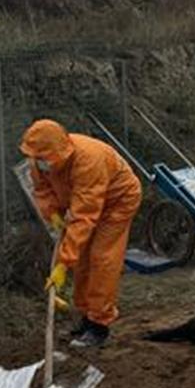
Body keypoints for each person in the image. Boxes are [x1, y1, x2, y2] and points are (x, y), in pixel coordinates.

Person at [20, 119, 143, 349]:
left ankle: (99, 325)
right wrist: (53, 213)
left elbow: (84, 217)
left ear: (58, 152)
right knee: (83, 261)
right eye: (35, 158)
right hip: (83, 207)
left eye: (42, 158)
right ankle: (86, 317)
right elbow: (42, 190)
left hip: (117, 202)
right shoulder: (39, 160)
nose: (38, 163)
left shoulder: (88, 161)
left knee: (102, 259)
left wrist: (62, 264)